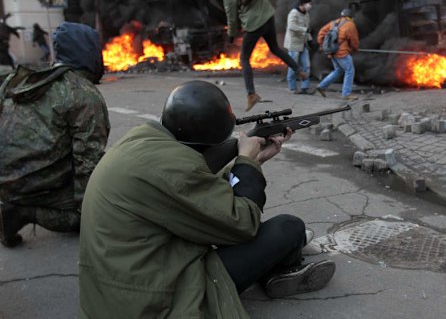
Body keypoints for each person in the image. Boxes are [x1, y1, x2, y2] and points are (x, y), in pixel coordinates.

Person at [79, 80, 335, 318]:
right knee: (289, 228)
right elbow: (243, 223)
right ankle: (280, 270)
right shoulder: (175, 169)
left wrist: (255, 159)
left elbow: (196, 192)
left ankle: (275, 268)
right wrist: (245, 162)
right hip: (152, 301)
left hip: (117, 287)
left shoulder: (144, 141)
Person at [0, 22, 110, 247]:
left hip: (5, 181)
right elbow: (88, 160)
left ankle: (12, 206)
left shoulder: (21, 79)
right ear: (89, 52)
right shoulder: (84, 94)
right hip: (36, 185)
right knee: (106, 206)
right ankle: (23, 212)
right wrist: (90, 210)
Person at [210, 0, 309, 112]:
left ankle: (251, 95)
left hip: (255, 24)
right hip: (269, 16)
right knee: (275, 48)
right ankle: (299, 70)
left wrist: (231, 35)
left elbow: (232, 18)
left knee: (244, 58)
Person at [313, 8, 360, 100]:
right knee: (350, 70)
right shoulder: (350, 25)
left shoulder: (333, 23)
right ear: (351, 17)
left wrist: (323, 45)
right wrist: (355, 49)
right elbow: (354, 41)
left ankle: (321, 86)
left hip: (332, 52)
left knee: (338, 70)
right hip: (342, 53)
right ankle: (346, 94)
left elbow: (321, 33)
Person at [284, 0, 313, 94]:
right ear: (302, 4)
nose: (310, 6)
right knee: (293, 66)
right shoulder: (293, 13)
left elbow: (307, 28)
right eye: (308, 3)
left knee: (306, 66)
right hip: (294, 44)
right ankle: (292, 88)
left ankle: (305, 87)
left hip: (303, 43)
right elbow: (291, 26)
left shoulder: (306, 14)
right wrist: (304, 30)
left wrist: (310, 40)